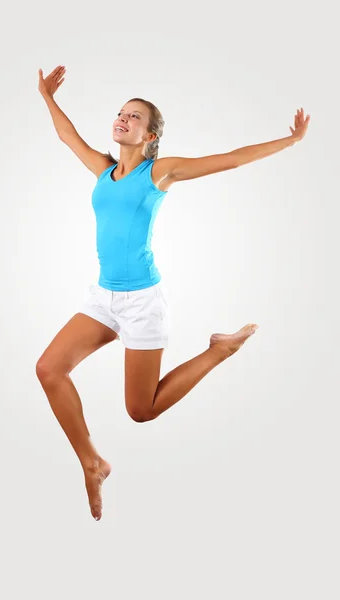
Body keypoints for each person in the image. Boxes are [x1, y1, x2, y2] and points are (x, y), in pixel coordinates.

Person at [36, 65, 310, 521]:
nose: (123, 118)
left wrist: (292, 141)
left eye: (135, 117)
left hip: (142, 303)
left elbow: (231, 158)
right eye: (121, 112)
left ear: (150, 137)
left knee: (141, 411)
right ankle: (93, 462)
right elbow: (68, 136)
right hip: (103, 298)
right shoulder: (104, 172)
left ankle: (220, 351)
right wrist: (47, 96)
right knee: (49, 370)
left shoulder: (158, 172)